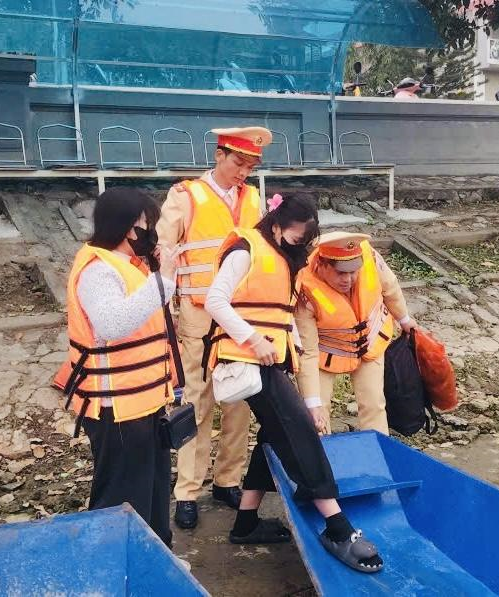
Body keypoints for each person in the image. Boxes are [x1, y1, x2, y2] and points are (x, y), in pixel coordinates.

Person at [203, 194, 384, 573]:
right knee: (298, 429)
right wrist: (252, 339)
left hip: (271, 361)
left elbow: (285, 319)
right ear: (276, 226)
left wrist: (303, 375)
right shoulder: (246, 250)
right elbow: (215, 301)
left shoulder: (286, 260)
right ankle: (337, 525)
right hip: (247, 361)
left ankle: (246, 522)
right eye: (296, 238)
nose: (301, 246)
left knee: (274, 432)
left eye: (306, 240)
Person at [157, 126, 269, 529]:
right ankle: (188, 490)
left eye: (252, 165)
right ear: (219, 154)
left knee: (238, 400)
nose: (244, 171)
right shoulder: (185, 196)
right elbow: (163, 250)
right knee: (197, 403)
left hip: (242, 318)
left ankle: (228, 480)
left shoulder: (254, 198)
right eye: (239, 162)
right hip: (199, 316)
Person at [61, 187, 180, 547]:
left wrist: (158, 272)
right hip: (117, 406)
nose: (152, 231)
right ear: (130, 227)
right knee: (123, 497)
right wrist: (164, 279)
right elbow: (112, 324)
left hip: (146, 400)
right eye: (148, 224)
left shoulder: (132, 265)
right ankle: (115, 569)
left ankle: (156, 559)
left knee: (155, 489)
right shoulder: (98, 271)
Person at [295, 232, 415, 435]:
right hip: (326, 353)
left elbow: (390, 288)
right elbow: (307, 352)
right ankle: (321, 460)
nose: (348, 279)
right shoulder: (305, 289)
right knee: (316, 413)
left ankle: (377, 455)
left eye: (353, 272)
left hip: (370, 341)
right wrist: (312, 402)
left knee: (374, 403)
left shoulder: (371, 259)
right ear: (323, 265)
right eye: (341, 273)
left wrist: (404, 319)